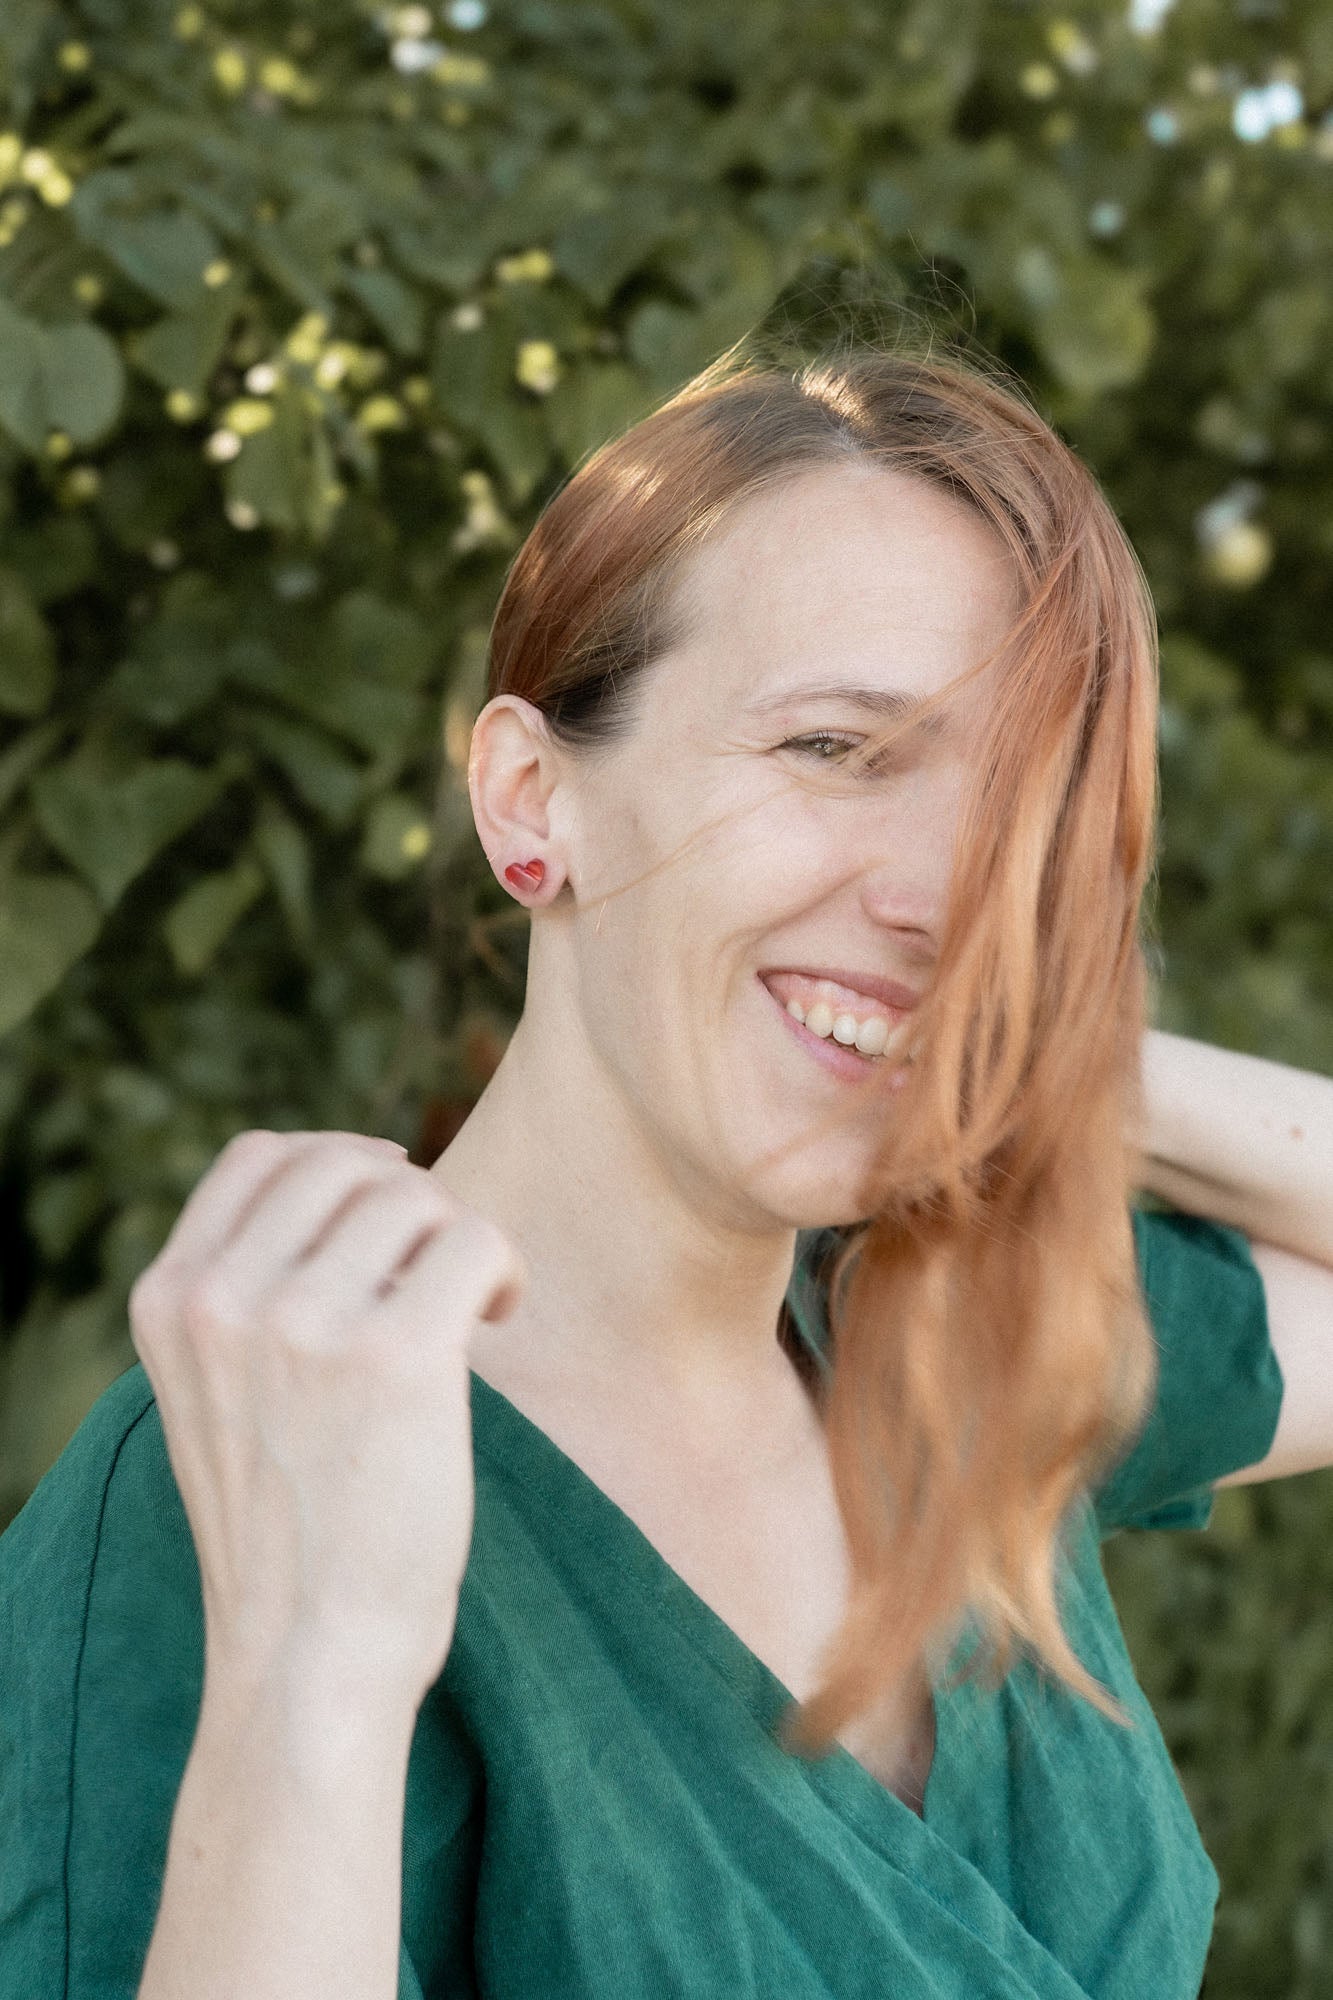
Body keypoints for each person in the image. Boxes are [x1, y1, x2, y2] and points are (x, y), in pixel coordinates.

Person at [2, 330, 1328, 2000]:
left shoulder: (957, 1333)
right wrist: (309, 1680)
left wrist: (1037, 1034)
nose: (949, 892)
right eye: (835, 750)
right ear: (529, 799)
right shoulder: (240, 1476)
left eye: (1019, 825)